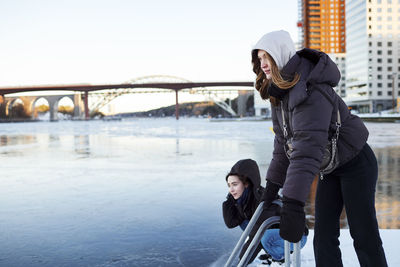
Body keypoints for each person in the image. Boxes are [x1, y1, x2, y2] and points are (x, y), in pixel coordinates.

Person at [251, 30, 388, 267]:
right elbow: (283, 146)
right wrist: (271, 190)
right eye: (259, 58)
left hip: (356, 163)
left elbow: (306, 148)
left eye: (267, 57)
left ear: (281, 56)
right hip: (330, 166)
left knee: (363, 235)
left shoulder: (310, 89)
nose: (263, 64)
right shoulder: (279, 93)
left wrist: (292, 203)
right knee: (323, 237)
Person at [222, 158, 307, 264]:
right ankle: (271, 249)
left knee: (265, 237)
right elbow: (231, 222)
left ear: (247, 183)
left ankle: (279, 258)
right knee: (245, 223)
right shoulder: (243, 200)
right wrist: (228, 201)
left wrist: (242, 261)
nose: (231, 189)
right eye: (229, 185)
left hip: (296, 235)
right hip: (275, 231)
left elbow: (256, 236)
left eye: (234, 184)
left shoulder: (261, 201)